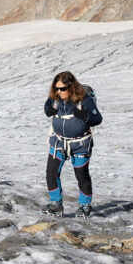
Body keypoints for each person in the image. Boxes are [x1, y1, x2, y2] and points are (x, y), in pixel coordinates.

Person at [43, 70, 102, 217]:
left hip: (80, 144)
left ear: (71, 87)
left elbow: (97, 119)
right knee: (51, 173)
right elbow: (47, 107)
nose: (59, 91)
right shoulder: (54, 98)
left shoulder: (85, 100)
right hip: (58, 141)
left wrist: (84, 116)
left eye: (62, 88)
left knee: (81, 175)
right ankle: (56, 204)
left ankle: (85, 205)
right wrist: (48, 110)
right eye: (56, 88)